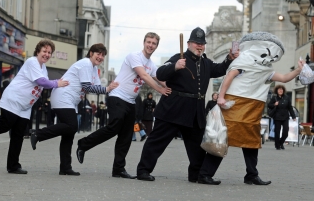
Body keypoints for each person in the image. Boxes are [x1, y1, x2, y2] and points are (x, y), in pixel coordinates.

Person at [136, 27, 238, 183]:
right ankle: (143, 170)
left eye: (202, 43)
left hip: (194, 111)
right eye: (197, 43)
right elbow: (160, 73)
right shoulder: (178, 58)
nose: (199, 46)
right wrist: (175, 66)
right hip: (173, 108)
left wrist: (229, 58)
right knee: (156, 142)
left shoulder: (205, 62)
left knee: (197, 147)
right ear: (189, 43)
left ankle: (196, 175)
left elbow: (220, 69)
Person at [212, 32, 304, 185]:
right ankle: (206, 172)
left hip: (252, 106)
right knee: (223, 138)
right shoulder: (244, 60)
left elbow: (284, 78)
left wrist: (298, 71)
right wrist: (221, 96)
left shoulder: (266, 68)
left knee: (251, 142)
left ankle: (252, 175)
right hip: (234, 104)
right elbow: (230, 75)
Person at [76, 32, 171, 179]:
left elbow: (160, 79)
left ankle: (118, 169)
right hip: (117, 96)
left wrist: (173, 87)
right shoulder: (134, 56)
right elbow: (145, 76)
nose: (151, 45)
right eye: (149, 42)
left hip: (131, 102)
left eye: (154, 43)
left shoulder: (151, 65)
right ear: (144, 42)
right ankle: (83, 144)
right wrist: (160, 90)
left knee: (126, 136)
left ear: (156, 46)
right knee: (115, 125)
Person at [30, 43, 118, 176]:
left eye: (103, 55)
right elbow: (88, 87)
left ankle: (65, 167)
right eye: (98, 54)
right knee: (72, 126)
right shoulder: (85, 64)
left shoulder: (94, 69)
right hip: (63, 97)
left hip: (71, 101)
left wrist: (110, 90)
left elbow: (98, 87)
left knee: (68, 135)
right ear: (91, 53)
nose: (100, 57)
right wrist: (107, 89)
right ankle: (38, 134)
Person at [0, 39, 69, 174]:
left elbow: (42, 85)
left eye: (49, 52)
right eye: (44, 51)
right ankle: (13, 165)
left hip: (25, 106)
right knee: (4, 125)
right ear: (38, 51)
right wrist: (57, 83)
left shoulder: (43, 67)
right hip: (14, 99)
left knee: (18, 134)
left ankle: (13, 166)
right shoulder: (32, 61)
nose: (47, 54)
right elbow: (41, 82)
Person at [268, 85, 296, 150]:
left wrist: (293, 116)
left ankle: (281, 143)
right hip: (277, 117)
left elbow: (290, 107)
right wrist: (274, 104)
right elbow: (269, 105)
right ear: (277, 91)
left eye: (281, 89)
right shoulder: (274, 98)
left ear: (283, 90)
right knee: (277, 132)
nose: (280, 91)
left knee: (286, 132)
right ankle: (277, 145)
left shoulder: (287, 97)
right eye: (279, 90)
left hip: (285, 117)